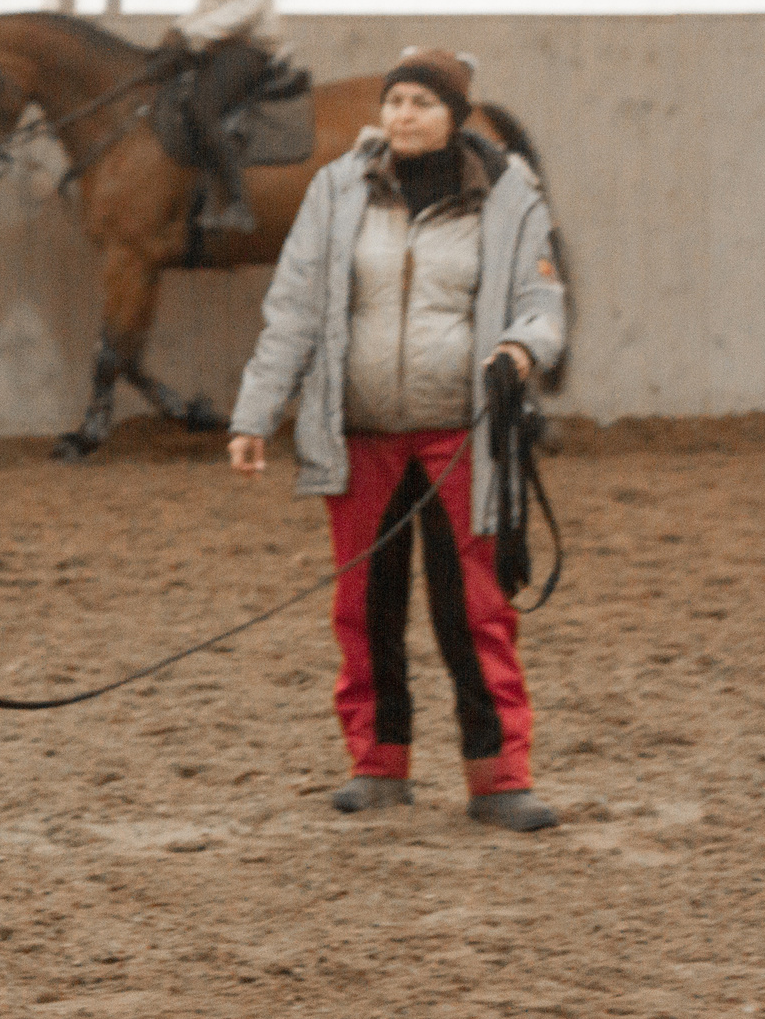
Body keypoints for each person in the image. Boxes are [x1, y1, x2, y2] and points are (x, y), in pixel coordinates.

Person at [225, 48, 568, 832]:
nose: (404, 114)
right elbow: (295, 310)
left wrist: (521, 347)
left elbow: (542, 299)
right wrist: (254, 414)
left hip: (462, 435)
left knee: (473, 610)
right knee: (364, 609)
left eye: (422, 101)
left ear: (455, 114)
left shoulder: (509, 198)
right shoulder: (336, 191)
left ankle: (499, 775)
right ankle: (379, 762)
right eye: (396, 101)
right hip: (362, 436)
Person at [160, 0, 286, 234]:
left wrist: (198, 32)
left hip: (250, 45)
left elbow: (249, 5)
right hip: (221, 39)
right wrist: (181, 28)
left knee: (202, 107)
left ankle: (237, 203)